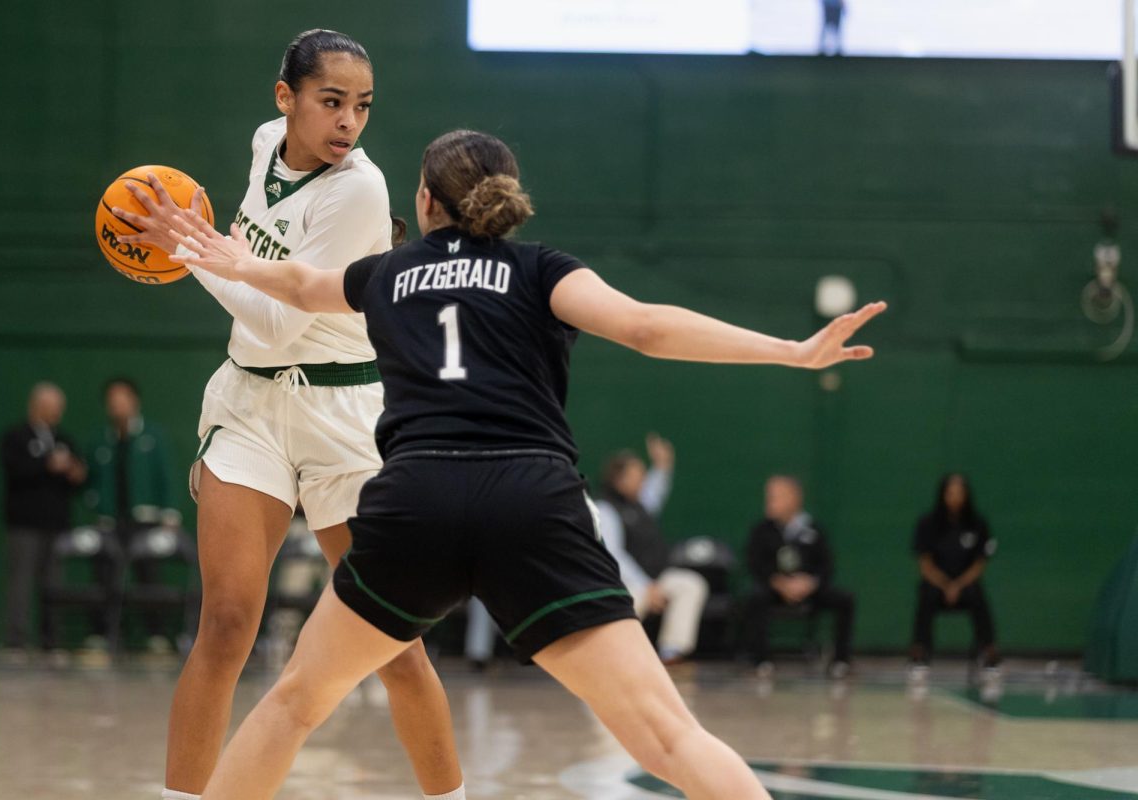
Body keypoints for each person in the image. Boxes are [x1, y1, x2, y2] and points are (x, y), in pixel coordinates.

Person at [170, 127, 885, 800]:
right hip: (531, 500)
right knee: (669, 737)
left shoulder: (386, 273)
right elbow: (644, 326)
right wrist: (792, 351)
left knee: (293, 705)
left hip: (417, 501)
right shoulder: (543, 270)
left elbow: (297, 285)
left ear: (424, 201)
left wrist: (219, 255)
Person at [107, 29, 464, 800]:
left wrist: (190, 251)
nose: (348, 122)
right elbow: (251, 298)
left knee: (394, 646)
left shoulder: (359, 190)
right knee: (228, 621)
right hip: (252, 403)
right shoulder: (265, 143)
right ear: (286, 100)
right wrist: (204, 246)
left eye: (361, 107)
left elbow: (276, 317)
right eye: (331, 102)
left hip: (344, 410)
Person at [83, 377, 181, 653]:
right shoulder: (102, 440)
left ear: (134, 400)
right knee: (104, 575)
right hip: (111, 523)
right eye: (113, 400)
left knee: (149, 577)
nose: (118, 405)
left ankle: (156, 636)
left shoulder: (153, 436)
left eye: (123, 398)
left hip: (147, 522)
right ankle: (103, 635)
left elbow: (166, 476)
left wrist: (169, 515)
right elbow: (89, 478)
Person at [596, 436, 708, 664]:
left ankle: (671, 652)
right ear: (620, 479)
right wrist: (647, 586)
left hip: (656, 578)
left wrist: (663, 464)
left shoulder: (640, 503)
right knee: (633, 600)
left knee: (690, 584)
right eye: (637, 476)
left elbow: (656, 490)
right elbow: (614, 555)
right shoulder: (605, 509)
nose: (642, 480)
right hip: (625, 583)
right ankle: (612, 657)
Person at [0, 382, 87, 658]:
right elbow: (15, 470)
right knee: (21, 583)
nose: (57, 412)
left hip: (56, 524)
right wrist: (46, 465)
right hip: (24, 524)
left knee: (54, 584)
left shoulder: (64, 440)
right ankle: (16, 642)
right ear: (37, 406)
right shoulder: (15, 437)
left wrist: (74, 472)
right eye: (52, 407)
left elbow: (77, 478)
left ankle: (52, 641)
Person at [744, 475, 855, 679]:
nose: (770, 502)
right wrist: (779, 583)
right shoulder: (762, 530)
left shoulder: (814, 529)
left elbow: (826, 566)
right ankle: (760, 661)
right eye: (769, 497)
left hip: (809, 590)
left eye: (776, 497)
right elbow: (755, 564)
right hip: (775, 589)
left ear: (794, 498)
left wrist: (809, 583)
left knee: (845, 598)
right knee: (755, 598)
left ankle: (841, 662)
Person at [908, 473, 1000, 678]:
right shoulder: (928, 523)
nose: (955, 497)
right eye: (951, 493)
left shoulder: (977, 524)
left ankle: (988, 652)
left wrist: (958, 585)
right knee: (926, 593)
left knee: (977, 595)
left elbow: (979, 564)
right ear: (943, 495)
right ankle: (920, 653)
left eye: (960, 493)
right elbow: (925, 565)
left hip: (965, 584)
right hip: (937, 584)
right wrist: (945, 584)